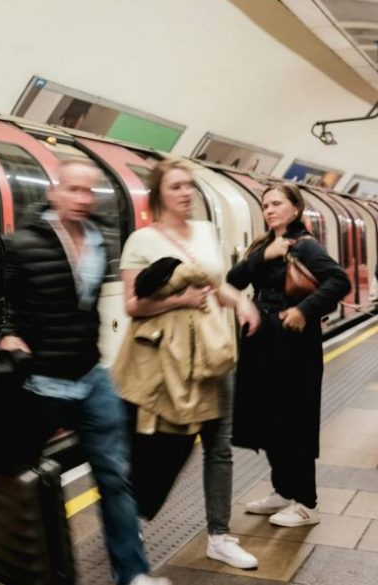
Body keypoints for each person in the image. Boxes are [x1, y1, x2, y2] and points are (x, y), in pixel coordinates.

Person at [0, 159, 170, 585]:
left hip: (91, 375)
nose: (81, 199)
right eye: (73, 190)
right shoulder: (21, 244)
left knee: (116, 476)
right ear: (54, 192)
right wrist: (6, 335)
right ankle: (19, 572)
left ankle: (132, 574)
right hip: (40, 381)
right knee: (16, 480)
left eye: (88, 191)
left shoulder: (98, 239)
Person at [118, 159, 260, 570]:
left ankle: (219, 535)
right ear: (159, 192)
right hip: (169, 360)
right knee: (165, 447)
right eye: (177, 186)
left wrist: (244, 303)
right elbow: (132, 306)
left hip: (214, 352)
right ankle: (135, 519)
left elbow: (218, 286)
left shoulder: (205, 232)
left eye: (190, 186)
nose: (186, 193)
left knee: (219, 447)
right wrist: (179, 300)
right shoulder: (140, 241)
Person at [227, 183, 350, 527]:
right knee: (269, 418)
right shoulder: (265, 246)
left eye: (277, 204)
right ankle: (282, 491)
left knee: (295, 419)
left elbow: (339, 281)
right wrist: (262, 258)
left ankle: (306, 503)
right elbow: (232, 280)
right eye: (265, 205)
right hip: (264, 338)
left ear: (295, 209)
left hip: (293, 342)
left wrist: (304, 311)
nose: (269, 210)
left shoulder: (306, 246)